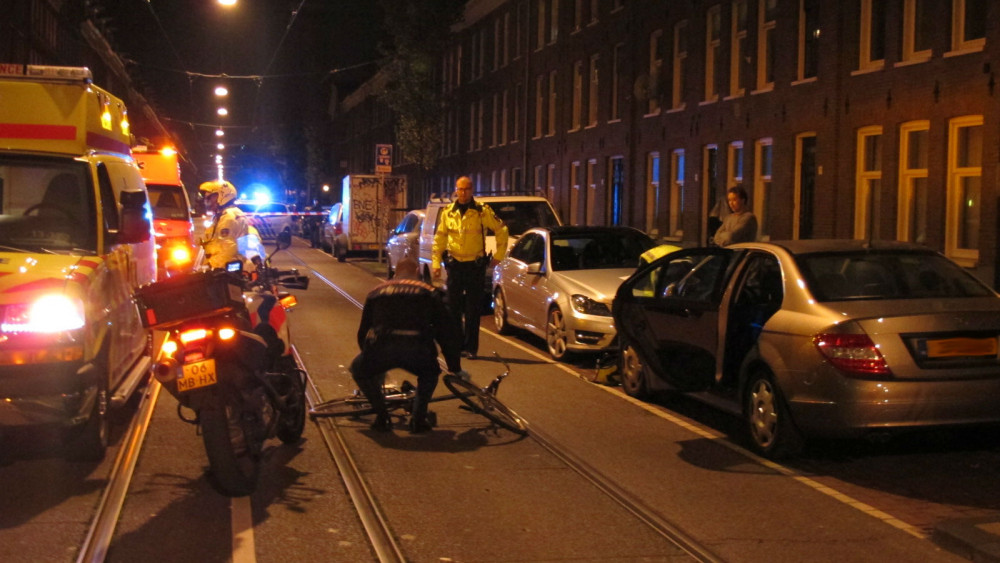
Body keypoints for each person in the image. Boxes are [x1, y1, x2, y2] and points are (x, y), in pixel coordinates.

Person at [350, 257, 466, 433]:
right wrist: (454, 367)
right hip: (417, 349)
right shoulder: (429, 292)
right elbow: (446, 332)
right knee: (430, 374)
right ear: (417, 273)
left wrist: (368, 358)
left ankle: (381, 416)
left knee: (358, 371)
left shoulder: (376, 292)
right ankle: (418, 419)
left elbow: (362, 331)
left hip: (382, 348)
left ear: (395, 273)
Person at [431, 176, 509, 359]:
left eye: (466, 189)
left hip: (475, 267)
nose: (463, 192)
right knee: (453, 309)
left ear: (472, 190)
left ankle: (471, 348)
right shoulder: (448, 212)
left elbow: (502, 230)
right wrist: (435, 263)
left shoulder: (482, 211)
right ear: (456, 190)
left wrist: (498, 256)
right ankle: (457, 346)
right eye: (460, 189)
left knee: (473, 310)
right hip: (455, 266)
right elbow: (440, 239)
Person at [199, 180, 253, 269]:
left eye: (211, 198)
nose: (208, 202)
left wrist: (210, 266)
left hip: (225, 268)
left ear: (223, 196)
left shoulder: (228, 217)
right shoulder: (228, 214)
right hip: (229, 265)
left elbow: (228, 248)